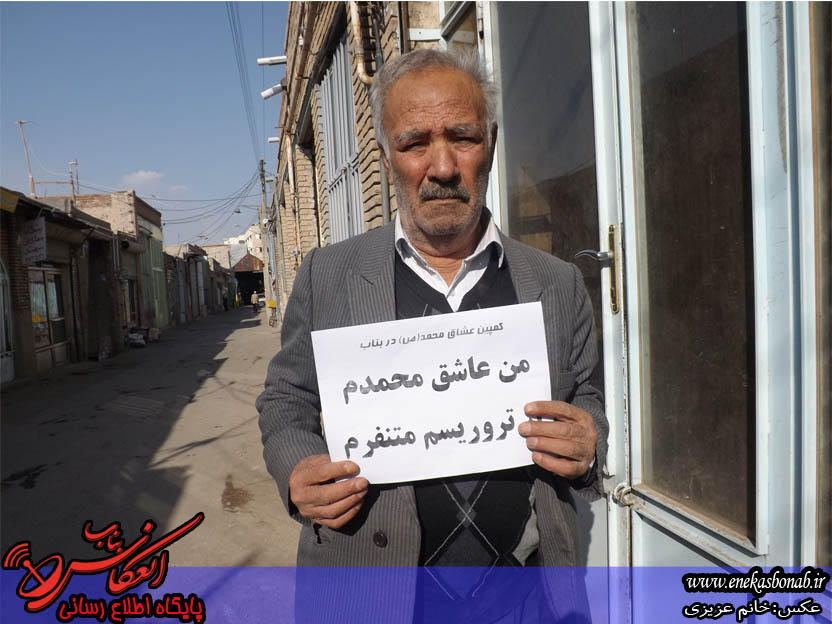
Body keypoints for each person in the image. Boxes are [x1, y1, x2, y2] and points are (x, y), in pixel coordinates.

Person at [257, 48, 608, 623]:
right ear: (385, 155)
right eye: (415, 143)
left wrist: (588, 445)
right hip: (370, 599)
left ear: (490, 143)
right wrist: (297, 469)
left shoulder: (557, 282)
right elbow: (286, 399)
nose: (442, 167)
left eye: (463, 138)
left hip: (527, 600)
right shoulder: (328, 276)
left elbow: (585, 397)